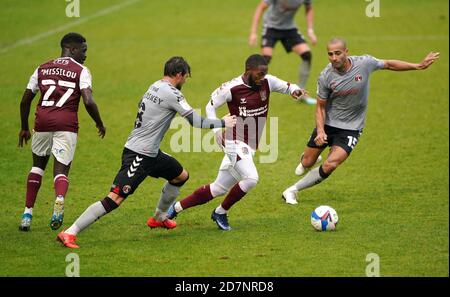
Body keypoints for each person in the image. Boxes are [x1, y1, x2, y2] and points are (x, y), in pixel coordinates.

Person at [57, 56, 237, 248]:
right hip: (138, 155)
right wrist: (222, 123)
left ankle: (159, 217)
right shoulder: (173, 94)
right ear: (179, 74)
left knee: (180, 176)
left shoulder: (154, 86)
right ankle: (70, 232)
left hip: (151, 152)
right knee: (115, 198)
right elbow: (196, 121)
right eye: (185, 77)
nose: (185, 81)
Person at [282, 38, 440, 204]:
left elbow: (388, 64)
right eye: (330, 54)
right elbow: (320, 107)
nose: (334, 58)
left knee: (331, 164)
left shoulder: (364, 63)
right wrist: (321, 131)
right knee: (307, 162)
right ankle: (307, 160)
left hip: (351, 128)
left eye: (337, 53)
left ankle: (292, 190)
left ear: (346, 52)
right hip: (328, 124)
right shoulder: (325, 76)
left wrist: (417, 65)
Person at [166, 54, 305, 231]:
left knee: (218, 188)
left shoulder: (267, 82)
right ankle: (221, 212)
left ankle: (174, 208)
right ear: (248, 70)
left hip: (250, 145)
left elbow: (287, 86)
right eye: (259, 74)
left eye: (264, 74)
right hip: (233, 140)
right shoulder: (232, 87)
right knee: (251, 178)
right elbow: (210, 106)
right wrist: (217, 131)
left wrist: (295, 90)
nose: (262, 78)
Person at [18, 32, 106, 231]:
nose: (85, 55)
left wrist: (24, 127)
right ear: (72, 49)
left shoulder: (42, 68)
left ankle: (27, 214)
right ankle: (59, 200)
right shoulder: (81, 70)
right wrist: (99, 123)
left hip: (42, 122)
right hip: (66, 124)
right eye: (83, 51)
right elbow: (89, 101)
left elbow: (25, 100)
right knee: (61, 170)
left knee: (37, 167)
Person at [248, 0, 317, 104]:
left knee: (307, 55)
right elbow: (260, 8)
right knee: (265, 60)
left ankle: (301, 95)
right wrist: (253, 32)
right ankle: (251, 93)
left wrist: (310, 30)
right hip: (270, 27)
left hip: (289, 28)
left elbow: (309, 8)